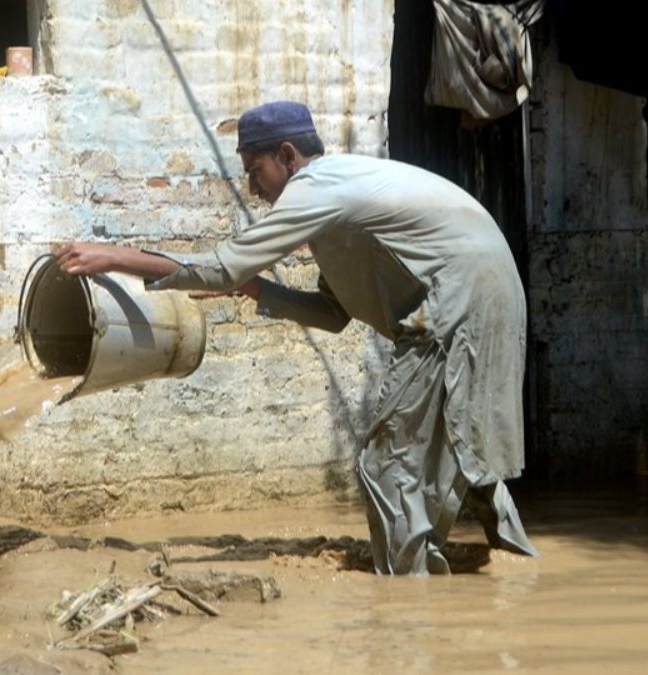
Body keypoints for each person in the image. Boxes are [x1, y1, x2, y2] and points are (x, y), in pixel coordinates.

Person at [55, 101, 538, 575]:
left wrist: (114, 256)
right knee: (464, 445)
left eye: (254, 170)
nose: (252, 188)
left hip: (455, 300)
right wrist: (260, 289)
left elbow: (222, 267)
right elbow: (334, 314)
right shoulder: (341, 197)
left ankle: (408, 607)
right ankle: (517, 571)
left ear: (287, 156)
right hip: (491, 288)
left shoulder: (315, 186)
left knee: (388, 466)